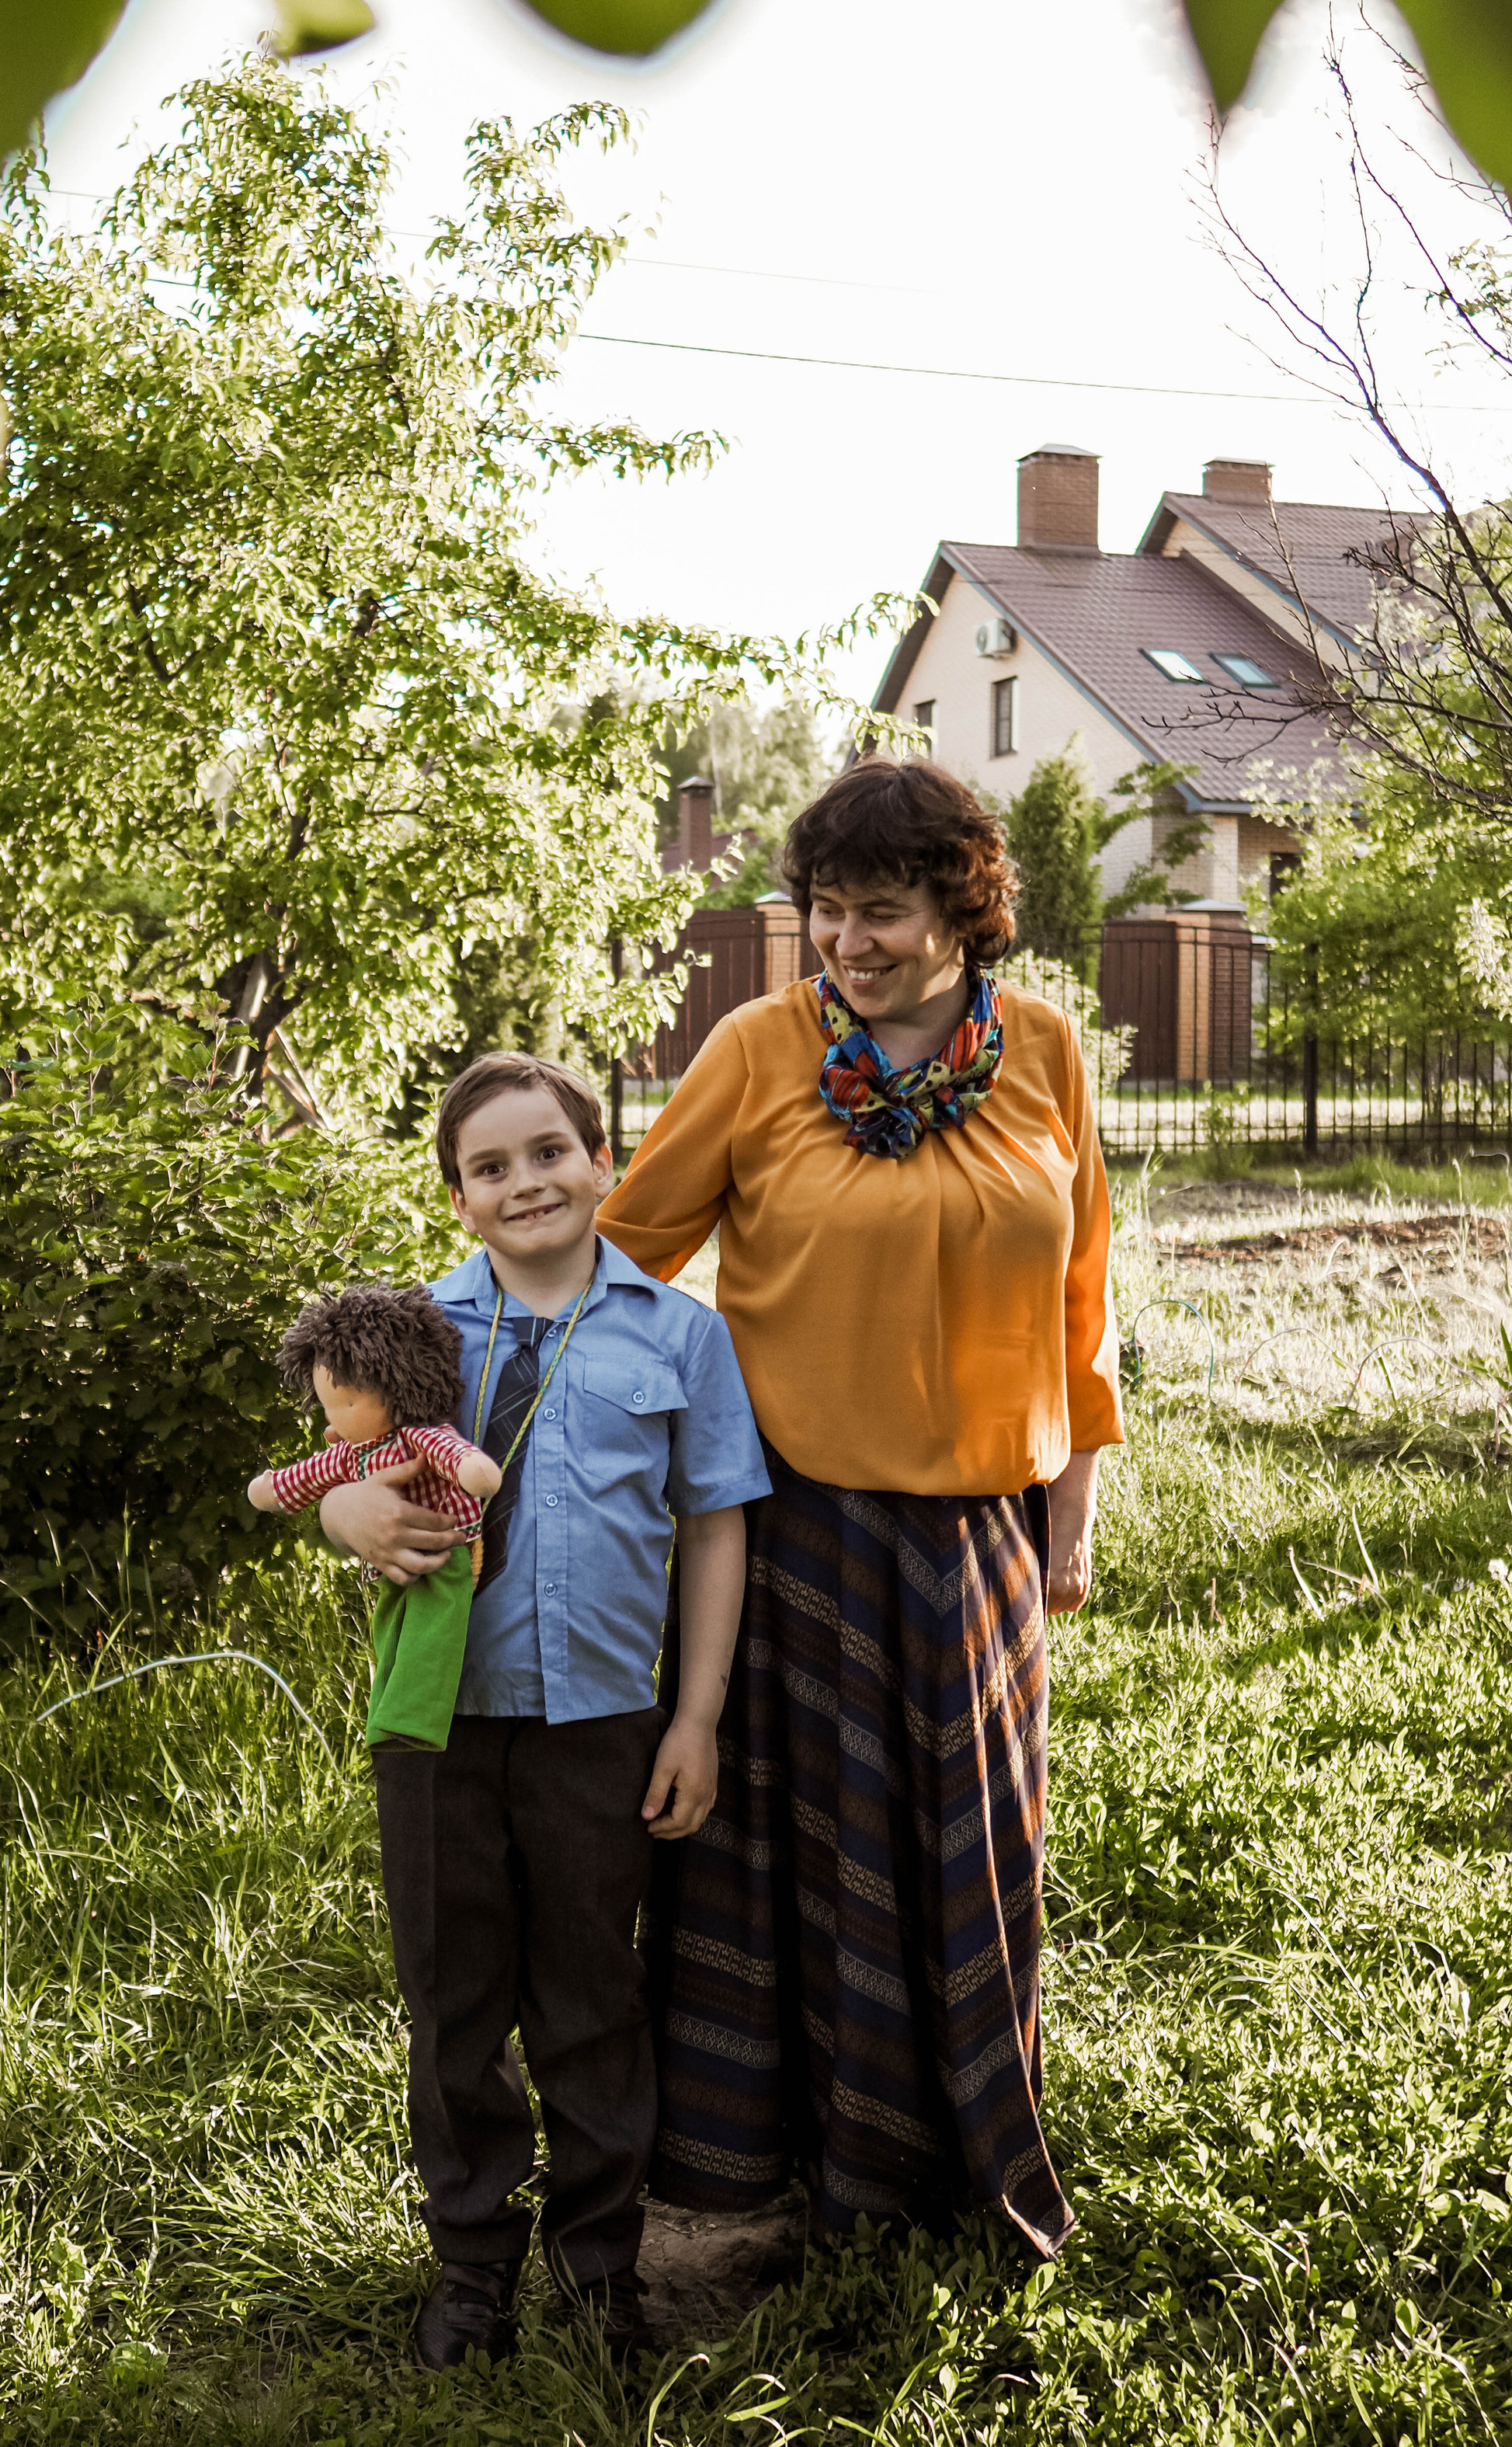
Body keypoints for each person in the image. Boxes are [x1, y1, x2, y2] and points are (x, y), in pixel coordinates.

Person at [594, 757, 1122, 2257]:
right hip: (789, 1534)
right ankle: (752, 2187)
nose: (847, 941)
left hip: (979, 1546)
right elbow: (625, 1263)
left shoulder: (1045, 1051)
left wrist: (1071, 1500)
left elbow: (1085, 1291)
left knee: (969, 1860)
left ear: (965, 904)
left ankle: (941, 2180)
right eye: (825, 910)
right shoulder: (759, 1048)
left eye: (880, 910)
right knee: (778, 1873)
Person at [311, 1051, 768, 2369]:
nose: (526, 1182)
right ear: (457, 1198)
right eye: (490, 1166)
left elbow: (718, 1526)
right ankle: (470, 2264)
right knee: (453, 1999)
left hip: (604, 1722)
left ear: (603, 1161)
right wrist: (344, 1507)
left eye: (549, 1151)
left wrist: (697, 1719)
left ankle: (599, 2264)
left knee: (591, 1991)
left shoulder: (679, 1331)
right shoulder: (412, 1334)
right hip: (438, 1725)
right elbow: (332, 1464)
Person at [245, 1284, 502, 1752]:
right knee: (390, 1626)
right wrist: (273, 1490)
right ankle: (389, 1715)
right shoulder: (351, 1454)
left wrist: (473, 1471)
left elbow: (457, 1458)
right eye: (330, 1406)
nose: (336, 1418)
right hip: (390, 1561)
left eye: (349, 1404)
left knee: (433, 1627)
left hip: (446, 1548)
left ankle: (414, 1718)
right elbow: (304, 1478)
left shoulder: (420, 1436)